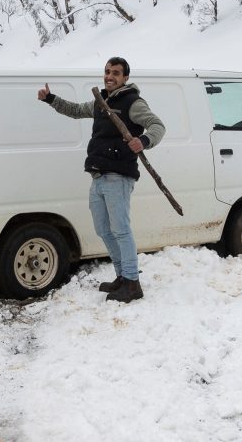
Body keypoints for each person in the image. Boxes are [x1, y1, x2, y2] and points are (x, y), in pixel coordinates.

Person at [38, 57, 166, 303]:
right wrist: (51, 99)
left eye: (116, 73)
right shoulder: (100, 102)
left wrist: (145, 141)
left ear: (125, 77)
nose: (110, 76)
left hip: (118, 175)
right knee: (103, 230)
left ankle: (132, 283)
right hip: (98, 175)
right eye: (107, 72)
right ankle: (122, 276)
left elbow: (157, 125)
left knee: (121, 230)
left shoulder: (132, 102)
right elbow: (75, 110)